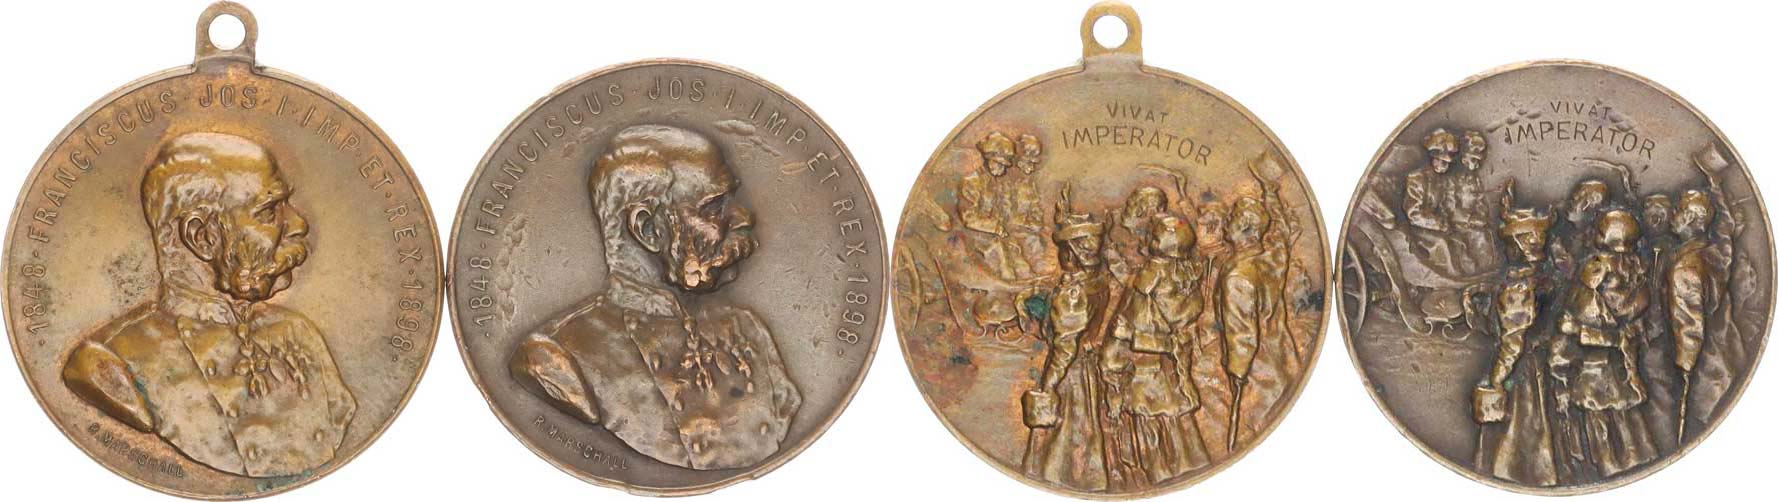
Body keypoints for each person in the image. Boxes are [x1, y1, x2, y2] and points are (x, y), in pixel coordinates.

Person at [61, 132, 355, 477]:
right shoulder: (108, 363)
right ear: (202, 236)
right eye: (269, 210)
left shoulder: (299, 332)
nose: (299, 224)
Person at [507, 125, 800, 470]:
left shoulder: (748, 329)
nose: (743, 217)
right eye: (713, 207)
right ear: (647, 229)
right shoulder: (554, 356)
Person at [1100, 215, 1212, 488]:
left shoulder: (1152, 275)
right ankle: (1187, 462)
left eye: (1151, 236)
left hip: (1145, 367)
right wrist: (1111, 255)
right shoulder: (1186, 276)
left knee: (1150, 420)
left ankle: (1160, 472)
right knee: (1175, 419)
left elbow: (1131, 315)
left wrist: (1116, 350)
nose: (1145, 240)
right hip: (1171, 368)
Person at [1023, 188, 1120, 491]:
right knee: (1083, 425)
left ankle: (1066, 477)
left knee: (1067, 428)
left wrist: (1048, 385)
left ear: (1071, 253)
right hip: (1086, 364)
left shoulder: (1074, 293)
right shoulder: (1098, 281)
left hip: (1071, 372)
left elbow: (1065, 348)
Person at [1552, 210, 1658, 479]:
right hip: (1614, 359)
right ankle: (1631, 456)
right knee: (1621, 411)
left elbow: (1579, 310)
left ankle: (1611, 461)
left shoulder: (1597, 271)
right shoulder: (1635, 271)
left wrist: (1573, 330)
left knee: (1601, 414)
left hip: (1596, 364)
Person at [1472, 181, 1560, 486]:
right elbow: (1514, 339)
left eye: (1539, 236)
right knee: (1532, 423)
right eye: (1533, 237)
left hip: (1527, 368)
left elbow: (1513, 342)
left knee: (1525, 425)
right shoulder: (1530, 283)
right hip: (1532, 366)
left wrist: (1496, 378)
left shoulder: (1523, 285)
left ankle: (1519, 471)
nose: (1539, 242)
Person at [1403, 129, 1460, 271]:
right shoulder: (1417, 178)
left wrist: (1447, 221)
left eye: (1447, 163)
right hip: (1418, 228)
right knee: (1442, 244)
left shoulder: (1441, 181)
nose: (1444, 166)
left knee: (1459, 241)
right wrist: (1438, 224)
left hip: (1435, 226)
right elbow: (1413, 214)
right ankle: (1449, 276)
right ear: (1433, 158)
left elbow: (1444, 206)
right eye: (1442, 161)